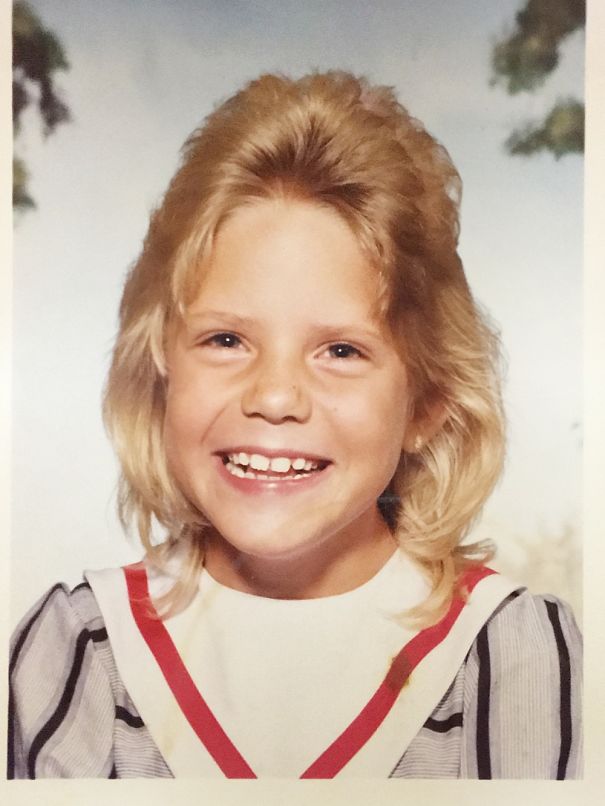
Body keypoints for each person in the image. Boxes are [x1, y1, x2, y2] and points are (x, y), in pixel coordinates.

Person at [8, 71, 582, 779]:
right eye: (225, 340)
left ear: (427, 403)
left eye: (340, 350)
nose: (275, 397)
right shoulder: (76, 650)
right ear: (161, 371)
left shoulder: (513, 654)